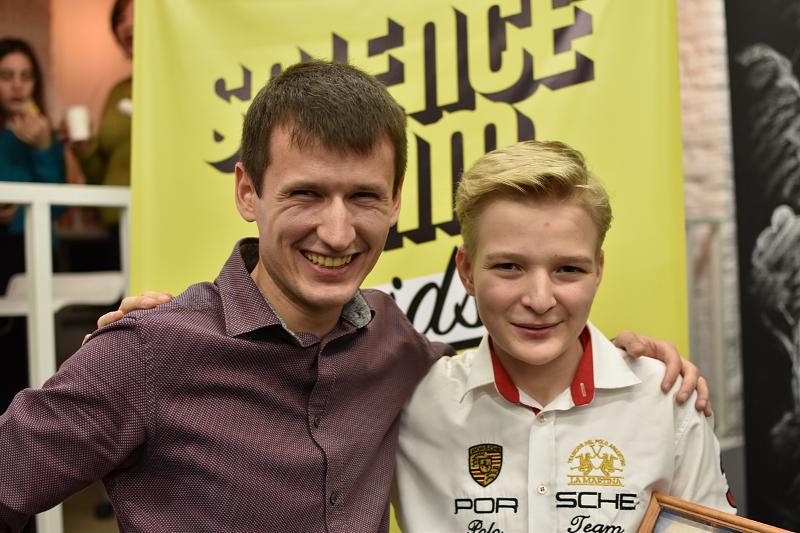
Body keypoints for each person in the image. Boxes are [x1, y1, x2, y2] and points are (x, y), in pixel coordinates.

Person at [0, 61, 706, 532]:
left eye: (364, 197)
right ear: (247, 190)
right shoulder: (148, 350)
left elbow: (513, 346)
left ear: (396, 201)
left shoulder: (395, 344)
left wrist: (624, 357)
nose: (337, 232)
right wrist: (127, 350)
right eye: (306, 194)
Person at [393, 140, 735, 533]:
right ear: (467, 270)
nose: (540, 300)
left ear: (598, 270)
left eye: (568, 269)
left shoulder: (666, 401)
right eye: (509, 267)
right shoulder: (408, 402)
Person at [0, 37, 66, 411]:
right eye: (6, 75)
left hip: (35, 248)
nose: (17, 85)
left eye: (25, 76)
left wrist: (43, 147)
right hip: (4, 246)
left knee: (30, 345)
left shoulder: (43, 131)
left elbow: (58, 207)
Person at [70, 0, 133, 269]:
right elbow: (102, 175)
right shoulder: (118, 91)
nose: (126, 24)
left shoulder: (176, 83)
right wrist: (85, 151)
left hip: (159, 217)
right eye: (120, 19)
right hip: (116, 218)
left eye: (135, 14)